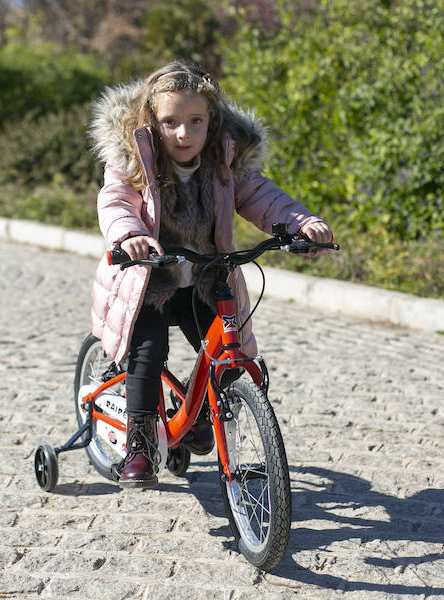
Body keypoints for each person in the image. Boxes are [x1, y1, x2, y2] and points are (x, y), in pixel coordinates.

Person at [89, 61, 333, 489]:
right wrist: (129, 234)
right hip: (149, 279)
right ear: (152, 121)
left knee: (229, 353)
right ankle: (141, 444)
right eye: (171, 123)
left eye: (195, 122)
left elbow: (260, 196)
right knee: (149, 353)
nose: (183, 135)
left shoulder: (223, 161)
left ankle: (199, 410)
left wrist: (300, 222)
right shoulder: (137, 158)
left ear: (212, 120)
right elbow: (116, 200)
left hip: (205, 277)